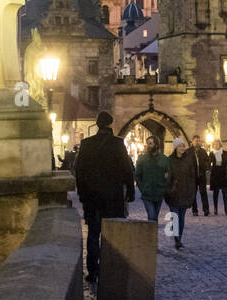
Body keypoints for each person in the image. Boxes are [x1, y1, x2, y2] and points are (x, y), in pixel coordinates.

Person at [72, 111, 135, 284]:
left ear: (97, 125)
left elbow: (80, 172)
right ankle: (112, 268)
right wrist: (130, 192)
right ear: (110, 124)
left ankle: (93, 271)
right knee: (113, 233)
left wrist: (82, 193)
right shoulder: (117, 144)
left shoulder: (86, 144)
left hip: (92, 198)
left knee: (93, 233)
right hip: (113, 197)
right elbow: (127, 169)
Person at [165, 137, 197, 249]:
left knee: (182, 217)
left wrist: (192, 191)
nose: (182, 148)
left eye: (183, 146)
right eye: (180, 146)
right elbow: (166, 176)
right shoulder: (169, 160)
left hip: (185, 191)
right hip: (173, 192)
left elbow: (192, 177)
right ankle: (176, 237)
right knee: (175, 216)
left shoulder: (188, 160)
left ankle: (179, 238)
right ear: (175, 148)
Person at [134, 135, 169, 222]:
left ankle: (152, 234)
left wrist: (163, 188)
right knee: (151, 216)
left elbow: (168, 174)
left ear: (156, 145)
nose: (148, 146)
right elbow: (137, 175)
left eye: (150, 144)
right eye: (147, 144)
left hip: (159, 194)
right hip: (147, 194)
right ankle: (151, 233)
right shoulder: (142, 159)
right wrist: (143, 188)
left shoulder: (164, 159)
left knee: (155, 217)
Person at [189, 135, 212, 216]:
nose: (198, 142)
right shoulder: (188, 152)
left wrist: (207, 168)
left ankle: (206, 210)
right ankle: (194, 210)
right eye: (196, 141)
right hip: (192, 176)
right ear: (192, 142)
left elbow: (208, 161)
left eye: (199, 141)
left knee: (203, 192)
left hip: (202, 175)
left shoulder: (203, 151)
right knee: (193, 193)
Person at [209, 141, 227, 214]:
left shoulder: (225, 153)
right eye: (214, 144)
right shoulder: (211, 153)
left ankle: (226, 208)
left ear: (220, 145)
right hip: (215, 175)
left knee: (225, 192)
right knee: (215, 193)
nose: (216, 145)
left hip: (223, 174)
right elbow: (209, 163)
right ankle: (215, 209)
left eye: (217, 144)